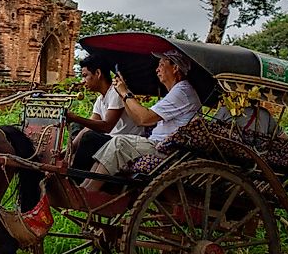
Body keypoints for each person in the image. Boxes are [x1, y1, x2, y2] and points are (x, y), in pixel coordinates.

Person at [79, 49, 201, 192]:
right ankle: (84, 187)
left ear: (175, 68)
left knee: (119, 143)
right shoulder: (177, 91)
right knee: (114, 142)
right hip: (158, 144)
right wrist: (123, 94)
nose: (157, 69)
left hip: (168, 150)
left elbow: (144, 118)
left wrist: (125, 93)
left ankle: (89, 191)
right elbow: (138, 120)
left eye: (162, 65)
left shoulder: (182, 91)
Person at [65, 53, 144, 170]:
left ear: (98, 73)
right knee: (78, 128)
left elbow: (107, 127)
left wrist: (75, 117)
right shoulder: (100, 99)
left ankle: (74, 176)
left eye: (85, 76)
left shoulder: (116, 92)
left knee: (89, 138)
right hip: (110, 139)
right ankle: (69, 166)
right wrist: (69, 149)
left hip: (125, 142)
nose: (83, 81)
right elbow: (88, 127)